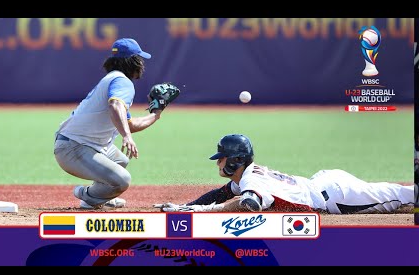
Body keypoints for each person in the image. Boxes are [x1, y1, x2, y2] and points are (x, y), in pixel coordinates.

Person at [154, 134, 414, 214]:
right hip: (322, 182)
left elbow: (249, 203)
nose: (217, 163)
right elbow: (221, 193)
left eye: (220, 158)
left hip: (336, 196)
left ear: (234, 161)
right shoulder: (247, 176)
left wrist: (203, 212)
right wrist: (183, 207)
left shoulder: (251, 180)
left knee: (402, 195)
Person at [54, 37, 164, 209]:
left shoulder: (114, 79)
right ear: (133, 61)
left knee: (120, 160)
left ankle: (98, 198)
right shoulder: (122, 81)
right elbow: (115, 106)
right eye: (140, 59)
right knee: (122, 180)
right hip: (74, 148)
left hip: (76, 144)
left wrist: (156, 114)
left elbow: (130, 123)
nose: (142, 63)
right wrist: (126, 136)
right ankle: (86, 194)